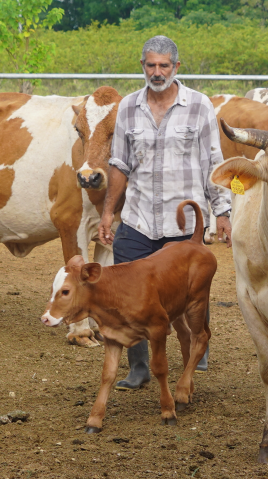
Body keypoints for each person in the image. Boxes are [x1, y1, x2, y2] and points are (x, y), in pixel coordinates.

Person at [97, 36, 232, 389]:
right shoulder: (127, 107)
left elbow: (212, 163)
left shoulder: (200, 106)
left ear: (176, 67)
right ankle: (139, 367)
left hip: (183, 222)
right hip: (140, 217)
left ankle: (194, 352)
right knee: (128, 291)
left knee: (186, 293)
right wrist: (108, 212)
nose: (157, 72)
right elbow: (119, 164)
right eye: (151, 65)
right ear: (142, 66)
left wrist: (222, 212)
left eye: (164, 66)